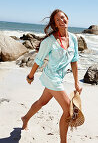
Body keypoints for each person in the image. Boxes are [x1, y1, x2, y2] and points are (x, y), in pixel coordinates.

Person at [21, 9, 82, 143]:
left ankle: (25, 118)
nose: (61, 21)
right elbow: (39, 60)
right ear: (54, 24)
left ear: (67, 18)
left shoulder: (73, 38)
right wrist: (30, 76)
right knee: (68, 111)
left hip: (58, 78)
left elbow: (74, 60)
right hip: (51, 78)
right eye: (57, 20)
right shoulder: (49, 41)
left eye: (62, 18)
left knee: (42, 102)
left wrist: (76, 83)